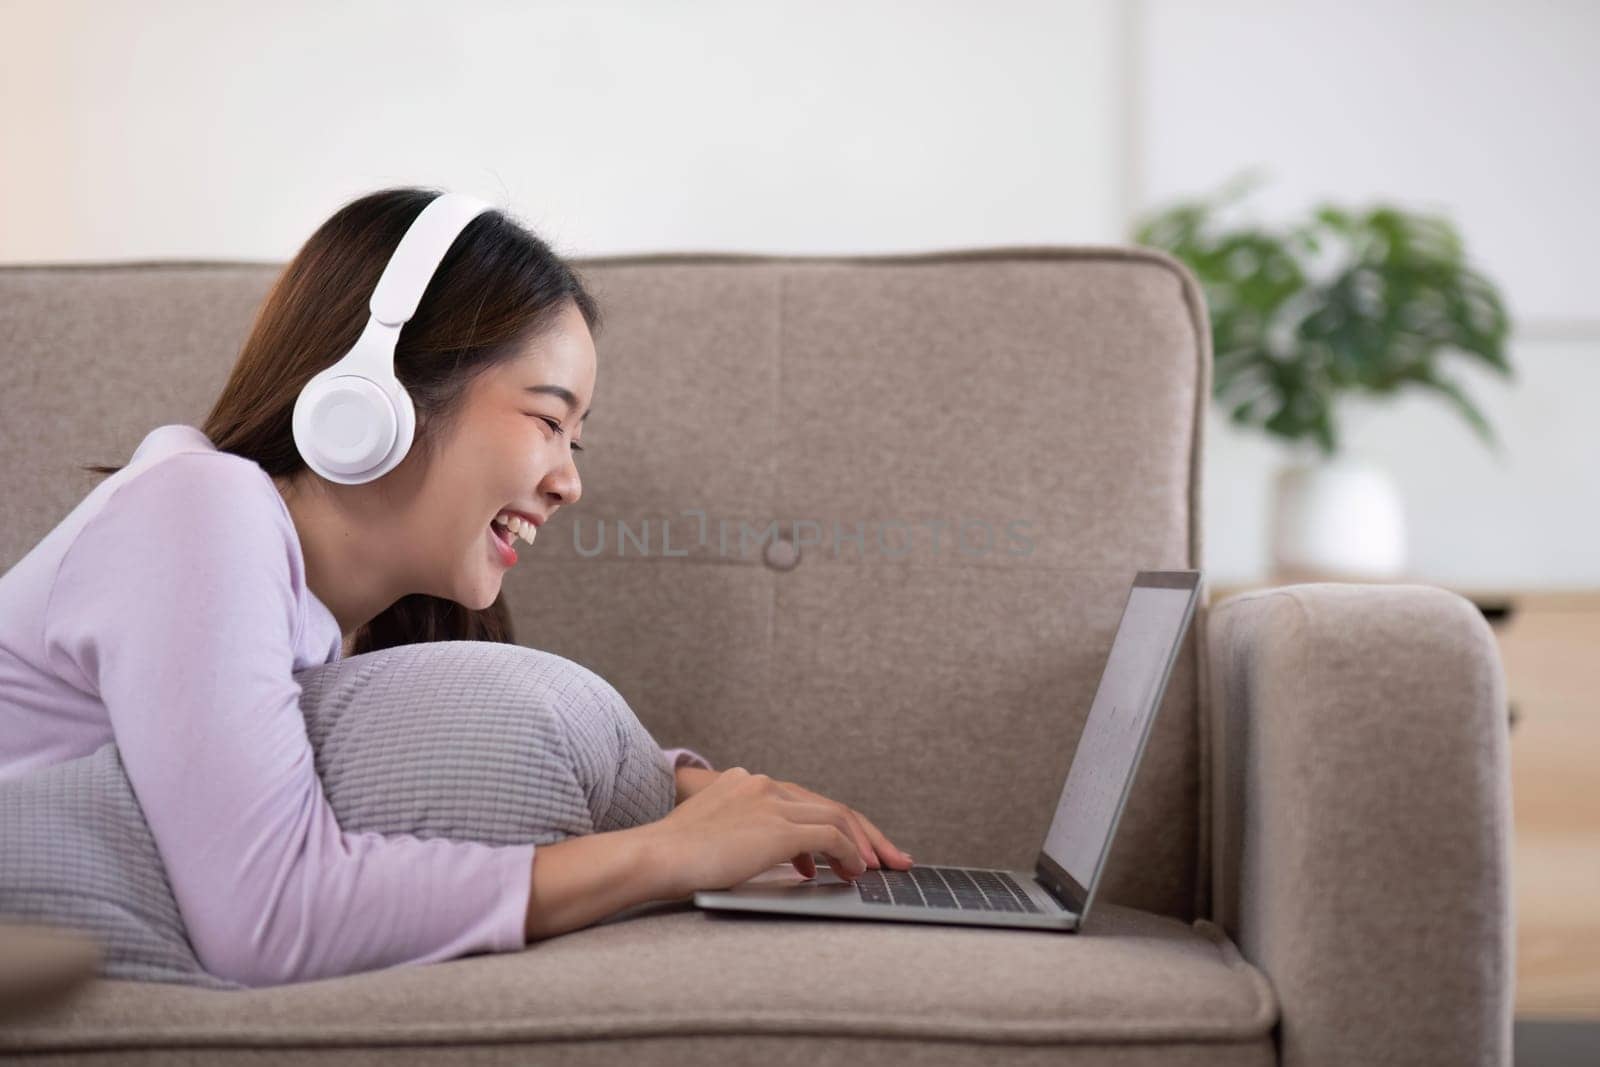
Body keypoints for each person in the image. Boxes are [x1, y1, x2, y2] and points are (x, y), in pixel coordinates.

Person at [0, 186, 910, 988]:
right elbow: (268, 917)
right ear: (373, 400)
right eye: (549, 420)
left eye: (576, 440)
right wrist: (661, 856)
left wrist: (690, 788)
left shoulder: (351, 615)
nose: (570, 481)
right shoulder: (200, 507)